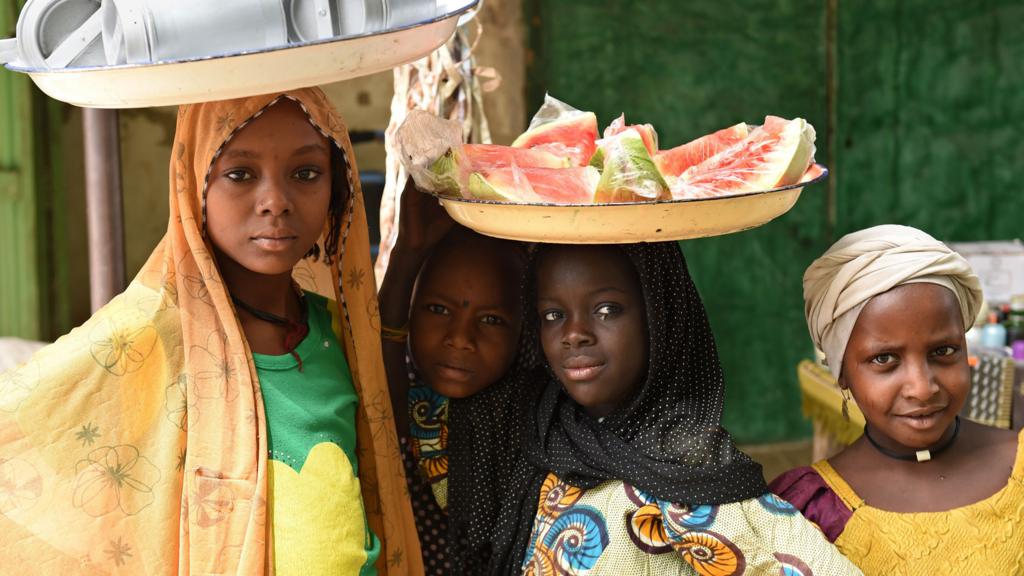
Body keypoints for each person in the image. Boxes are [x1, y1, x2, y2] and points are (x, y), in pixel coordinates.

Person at [0, 89, 422, 575]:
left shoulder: (332, 328)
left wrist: (409, 255)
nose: (276, 202)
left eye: (306, 174)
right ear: (192, 184)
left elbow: (384, 443)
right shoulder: (148, 338)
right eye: (240, 174)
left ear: (339, 188)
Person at [490, 242, 861, 575]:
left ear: (658, 316)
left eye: (606, 310)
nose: (574, 333)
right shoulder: (548, 433)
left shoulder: (689, 467)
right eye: (553, 315)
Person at [770, 224, 1023, 575]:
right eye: (884, 359)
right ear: (842, 373)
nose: (922, 388)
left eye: (944, 351)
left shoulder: (1019, 465)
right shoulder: (809, 511)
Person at [378, 186, 534, 575]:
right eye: (437, 309)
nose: (460, 339)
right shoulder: (402, 388)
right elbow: (377, 378)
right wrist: (406, 256)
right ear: (410, 307)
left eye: (492, 320)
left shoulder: (534, 409)